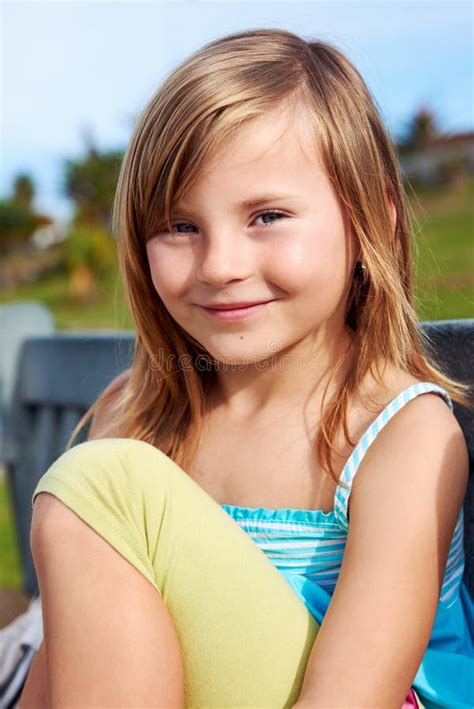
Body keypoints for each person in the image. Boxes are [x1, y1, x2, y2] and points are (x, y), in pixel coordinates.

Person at [21, 27, 473, 709]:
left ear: (368, 221)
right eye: (179, 226)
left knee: (102, 485)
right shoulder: (139, 411)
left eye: (266, 215)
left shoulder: (402, 434)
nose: (220, 265)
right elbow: (68, 656)